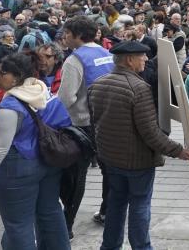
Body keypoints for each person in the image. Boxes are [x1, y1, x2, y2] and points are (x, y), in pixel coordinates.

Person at [89, 39, 189, 250]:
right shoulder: (138, 88)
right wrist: (178, 151)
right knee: (139, 205)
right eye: (142, 56)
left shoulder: (98, 84)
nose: (146, 59)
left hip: (110, 158)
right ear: (129, 60)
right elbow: (150, 133)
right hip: (137, 161)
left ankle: (109, 246)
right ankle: (142, 247)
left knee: (116, 204)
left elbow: (95, 124)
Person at [0, 52, 72, 248]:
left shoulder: (11, 106)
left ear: (17, 76)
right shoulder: (41, 90)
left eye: (2, 73)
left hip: (17, 168)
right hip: (48, 162)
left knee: (18, 225)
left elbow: (0, 148)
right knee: (50, 213)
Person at [56, 15, 114, 237]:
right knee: (109, 171)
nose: (64, 37)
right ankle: (107, 211)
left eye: (67, 33)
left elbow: (66, 98)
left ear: (78, 36)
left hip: (82, 124)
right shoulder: (105, 53)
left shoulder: (74, 60)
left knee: (77, 176)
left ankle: (67, 224)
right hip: (106, 121)